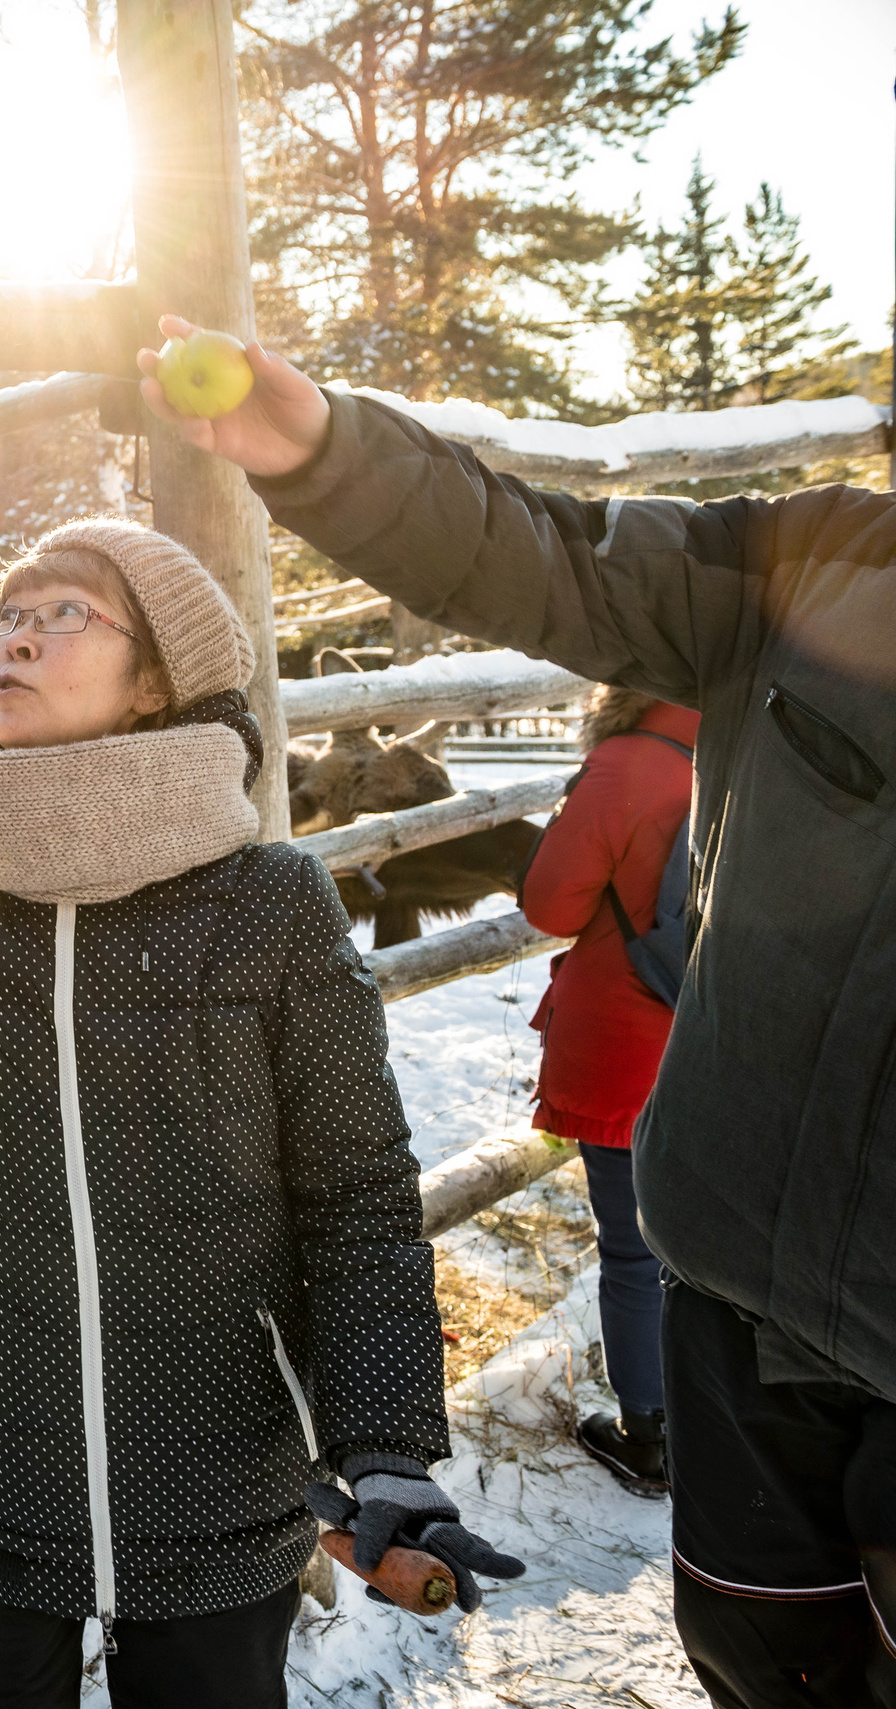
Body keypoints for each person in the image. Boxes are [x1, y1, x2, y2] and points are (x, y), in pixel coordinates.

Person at [138, 317, 896, 1707]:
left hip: (736, 1190)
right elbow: (551, 548)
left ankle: (640, 1413)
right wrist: (327, 453)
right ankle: (657, 1420)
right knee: (762, 1667)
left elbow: (550, 895)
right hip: (740, 1297)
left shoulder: (620, 767)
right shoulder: (813, 561)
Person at [0, 519, 522, 1707]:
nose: (14, 638)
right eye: (2, 615)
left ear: (156, 684)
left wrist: (384, 1443)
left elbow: (358, 1195)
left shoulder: (271, 901)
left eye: (63, 612)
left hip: (221, 1474)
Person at [520, 686, 703, 1495]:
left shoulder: (629, 763)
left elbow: (550, 903)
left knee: (636, 1249)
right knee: (717, 1247)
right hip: (729, 1034)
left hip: (632, 1042)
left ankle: (651, 1436)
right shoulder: (752, 745)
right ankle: (720, 1422)